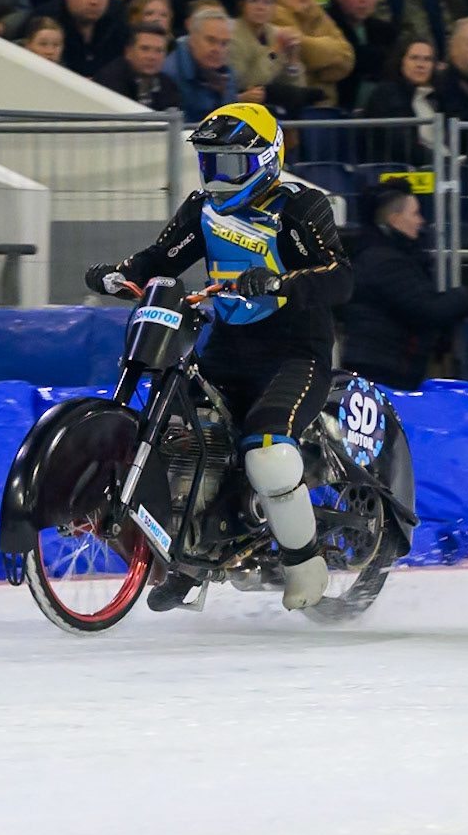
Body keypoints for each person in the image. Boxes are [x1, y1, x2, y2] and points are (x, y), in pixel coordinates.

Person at [84, 103, 350, 611]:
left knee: (268, 451)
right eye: (210, 163)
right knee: (171, 438)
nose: (217, 177)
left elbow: (340, 276)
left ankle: (305, 562)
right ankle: (186, 558)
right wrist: (120, 273)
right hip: (223, 347)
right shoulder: (200, 208)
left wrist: (279, 282)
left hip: (296, 354)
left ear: (266, 160)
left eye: (230, 164)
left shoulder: (302, 207)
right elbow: (160, 258)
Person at [340, 187, 468, 391]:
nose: (421, 221)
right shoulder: (384, 260)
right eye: (415, 214)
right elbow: (426, 309)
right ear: (395, 220)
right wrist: (467, 296)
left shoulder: (390, 255)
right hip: (382, 370)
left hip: (388, 365)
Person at [93, 23, 182, 108]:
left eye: (159, 50)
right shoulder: (109, 82)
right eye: (145, 49)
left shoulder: (168, 85)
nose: (152, 57)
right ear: (128, 52)